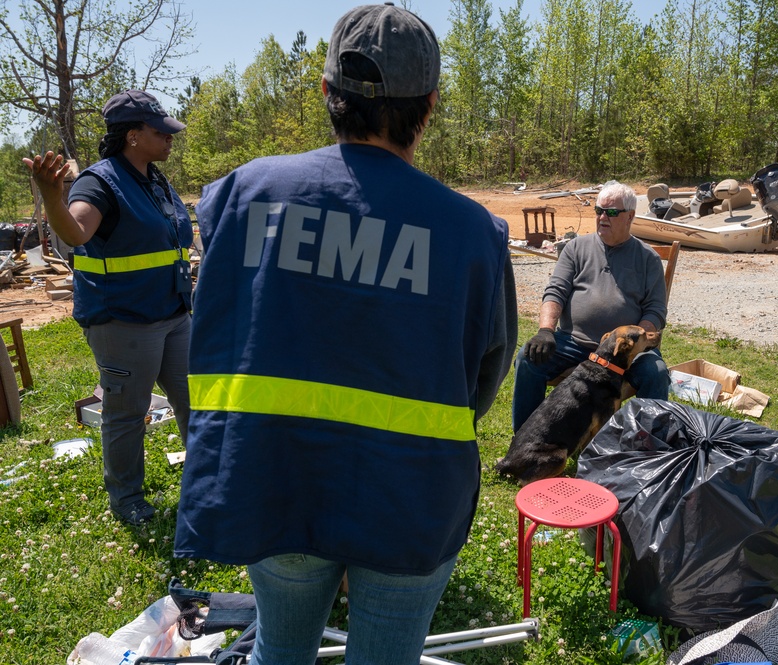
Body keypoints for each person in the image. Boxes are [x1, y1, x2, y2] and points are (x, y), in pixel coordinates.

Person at [172, 4, 517, 665]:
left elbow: (218, 314)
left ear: (328, 93)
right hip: (409, 491)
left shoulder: (244, 193)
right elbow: (483, 375)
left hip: (272, 476)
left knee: (281, 644)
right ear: (431, 104)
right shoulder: (471, 231)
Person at [23, 90, 192, 526]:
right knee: (127, 414)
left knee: (197, 402)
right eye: (161, 133)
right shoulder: (99, 183)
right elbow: (77, 232)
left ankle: (207, 478)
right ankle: (128, 499)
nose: (170, 139)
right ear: (133, 136)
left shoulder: (154, 179)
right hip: (125, 320)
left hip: (173, 314)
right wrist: (51, 195)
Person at [512, 181, 671, 431]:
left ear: (630, 216)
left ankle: (647, 446)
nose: (602, 217)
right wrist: (545, 330)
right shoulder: (576, 248)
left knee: (656, 373)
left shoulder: (647, 258)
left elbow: (656, 310)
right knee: (527, 360)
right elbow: (556, 291)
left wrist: (633, 345)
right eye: (598, 210)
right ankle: (525, 443)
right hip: (576, 343)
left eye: (611, 212)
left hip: (627, 351)